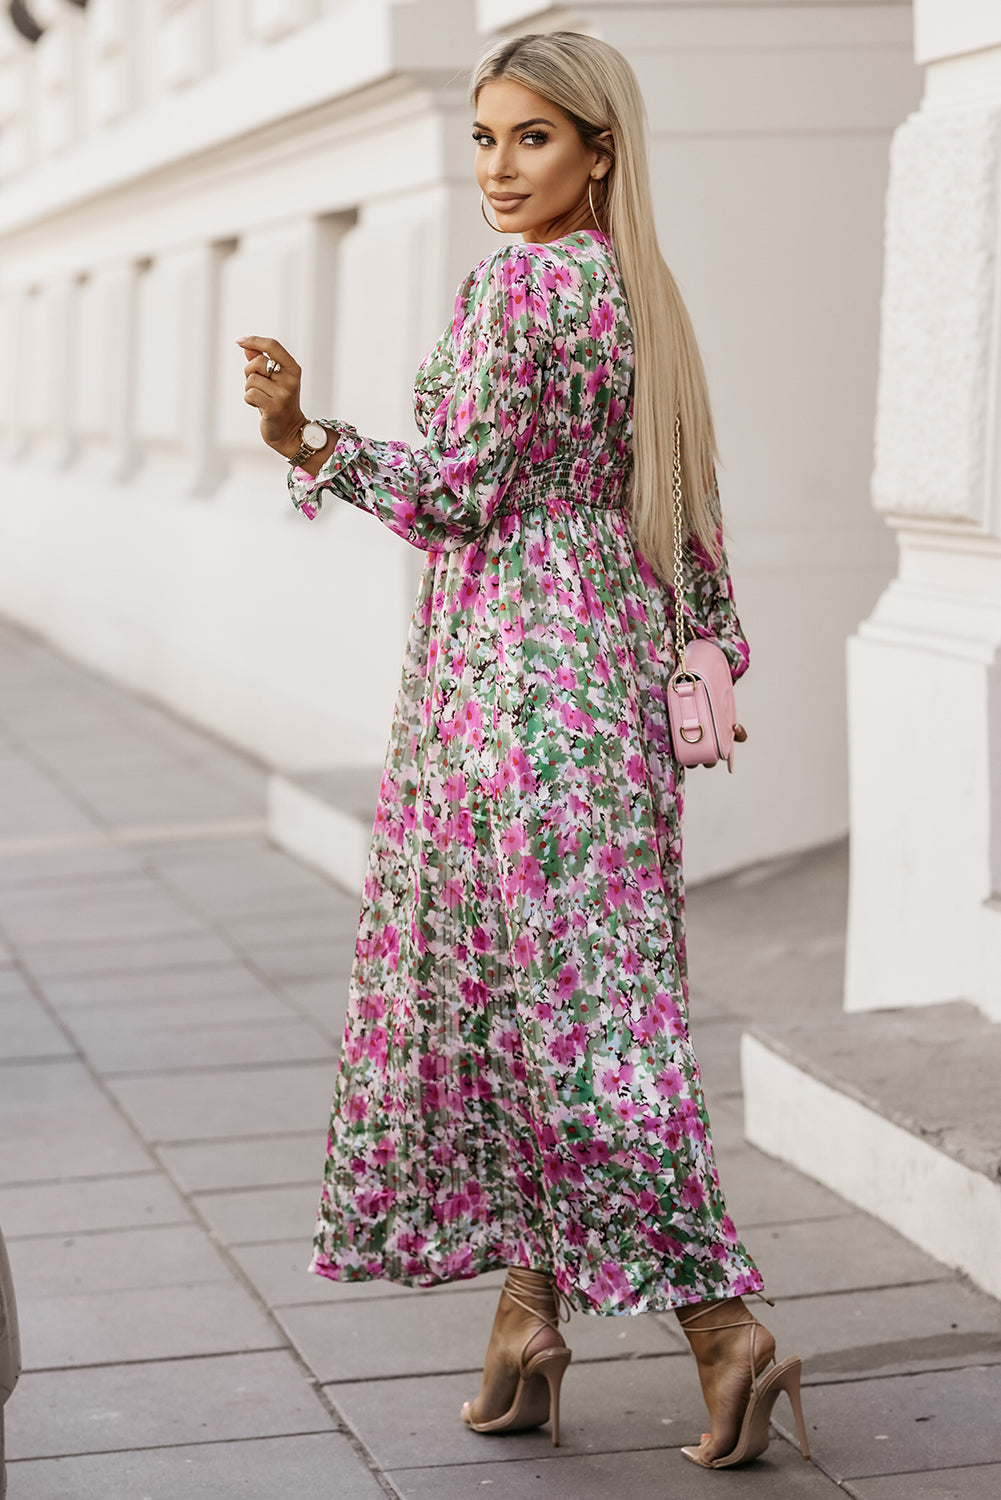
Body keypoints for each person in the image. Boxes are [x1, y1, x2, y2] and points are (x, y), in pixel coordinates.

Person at [238, 29, 810, 1472]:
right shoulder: (639, 290)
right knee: (561, 1006)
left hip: (510, 699)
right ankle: (525, 1320)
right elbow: (691, 512)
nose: (497, 167)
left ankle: (720, 1328)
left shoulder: (525, 284)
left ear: (595, 149)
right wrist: (703, 648)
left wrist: (308, 438)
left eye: (531, 139)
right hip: (602, 689)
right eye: (485, 137)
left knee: (573, 1027)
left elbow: (452, 497)